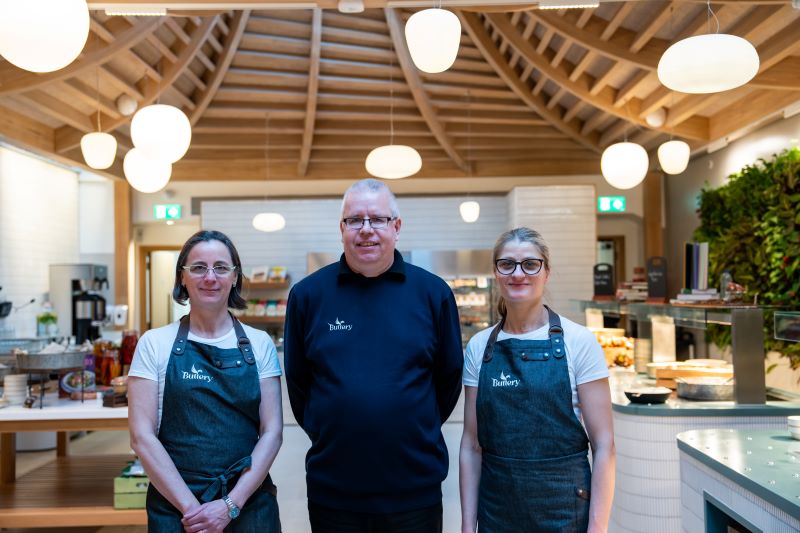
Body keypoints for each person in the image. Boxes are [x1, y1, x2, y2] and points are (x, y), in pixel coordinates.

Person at [284, 178, 463, 533]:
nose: (366, 230)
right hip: (334, 490)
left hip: (414, 489)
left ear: (396, 227)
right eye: (355, 220)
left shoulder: (433, 294)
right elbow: (299, 382)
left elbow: (448, 378)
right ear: (341, 229)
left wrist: (408, 426)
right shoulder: (307, 296)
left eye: (377, 219)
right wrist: (331, 428)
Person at [459, 227, 615, 533]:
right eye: (507, 264)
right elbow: (471, 445)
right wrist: (467, 527)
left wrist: (597, 529)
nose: (519, 274)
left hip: (564, 508)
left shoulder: (579, 342)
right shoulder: (479, 347)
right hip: (497, 508)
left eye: (530, 264)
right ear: (496, 272)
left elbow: (605, 445)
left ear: (546, 272)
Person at [128, 230, 283, 533]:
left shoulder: (260, 343)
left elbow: (273, 432)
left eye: (221, 267)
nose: (210, 277)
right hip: (176, 505)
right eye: (198, 267)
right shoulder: (154, 343)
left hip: (247, 499)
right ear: (182, 277)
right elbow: (141, 437)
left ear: (235, 277)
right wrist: (193, 510)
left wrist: (229, 505)